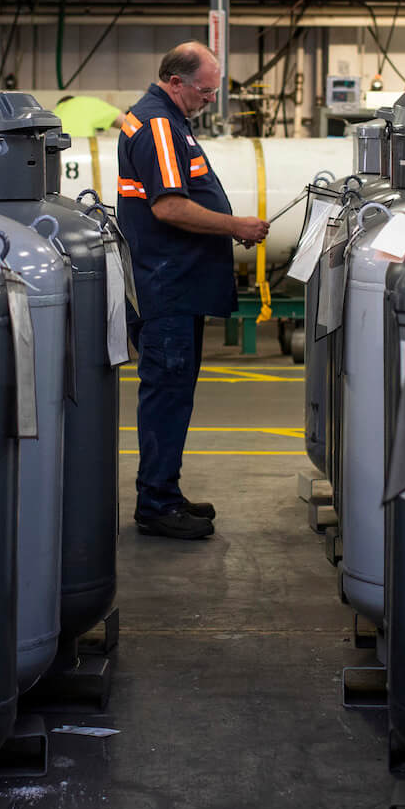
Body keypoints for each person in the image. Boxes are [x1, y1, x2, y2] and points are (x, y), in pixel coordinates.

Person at [116, 42, 270, 540]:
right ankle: (157, 504)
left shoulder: (164, 119)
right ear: (175, 81)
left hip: (172, 283)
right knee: (167, 395)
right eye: (205, 90)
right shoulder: (160, 126)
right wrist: (235, 225)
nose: (210, 99)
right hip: (169, 285)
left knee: (173, 393)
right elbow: (169, 207)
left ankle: (165, 489)